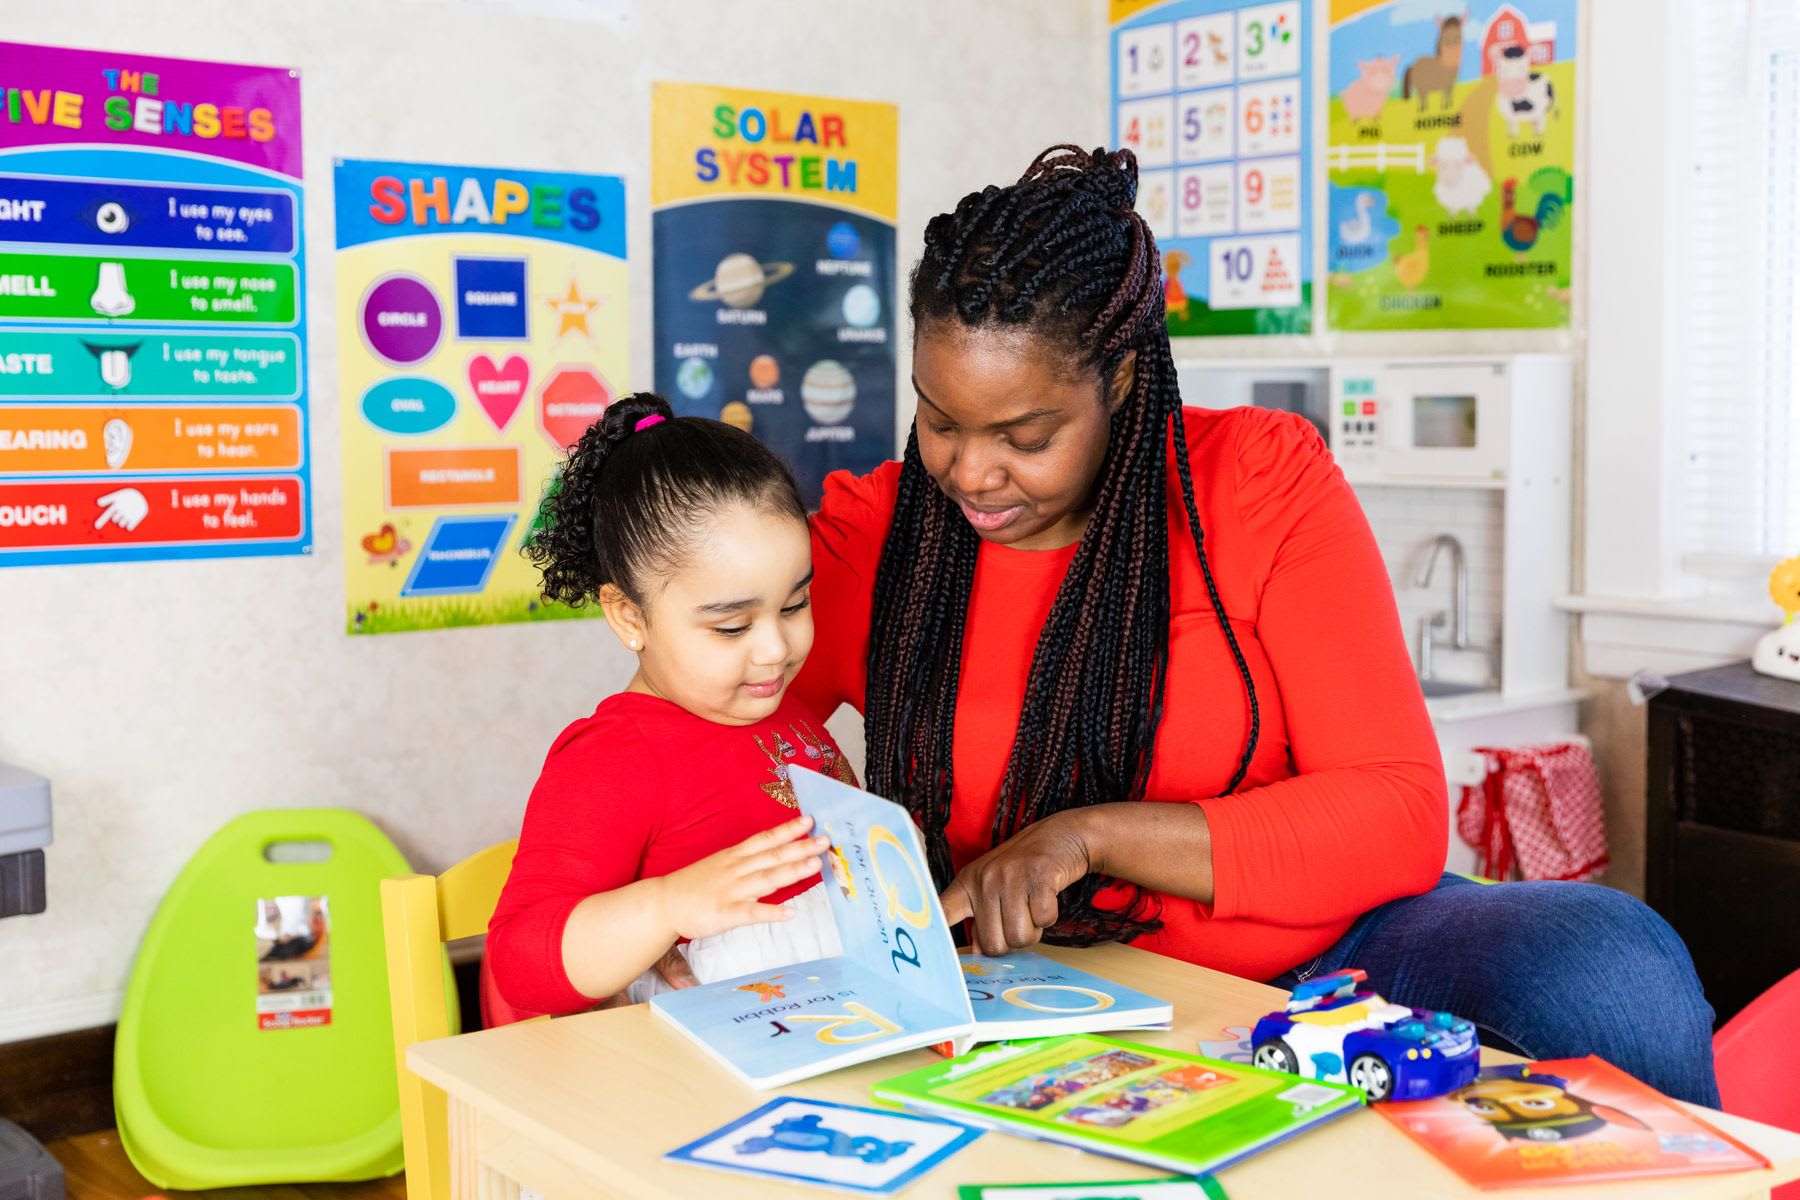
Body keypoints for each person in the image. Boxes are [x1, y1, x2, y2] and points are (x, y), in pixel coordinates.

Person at [792, 145, 1719, 1105]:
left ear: (1116, 379)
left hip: (1331, 962)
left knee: (1608, 962)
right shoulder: (879, 535)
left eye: (1025, 438)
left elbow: (1400, 811)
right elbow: (719, 721)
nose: (972, 472)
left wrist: (1088, 836)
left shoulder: (1257, 481)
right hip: (1045, 990)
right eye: (940, 421)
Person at [488, 393, 849, 1014]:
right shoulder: (614, 758)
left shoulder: (777, 708)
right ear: (630, 616)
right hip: (708, 1073)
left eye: (794, 605)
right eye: (732, 627)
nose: (775, 650)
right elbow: (517, 964)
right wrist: (666, 905)